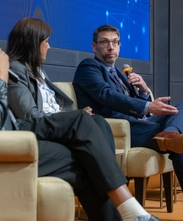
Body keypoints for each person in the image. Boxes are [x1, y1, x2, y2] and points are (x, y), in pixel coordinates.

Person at [0, 0, 163, 221]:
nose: (49, 46)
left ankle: (131, 213)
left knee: (88, 143)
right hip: (2, 141)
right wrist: (0, 76)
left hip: (9, 133)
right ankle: (132, 212)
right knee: (83, 149)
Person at [72, 24, 183, 221]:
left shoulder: (118, 73)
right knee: (179, 144)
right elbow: (105, 95)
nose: (111, 47)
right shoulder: (89, 67)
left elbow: (138, 104)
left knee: (182, 107)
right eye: (105, 42)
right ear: (94, 46)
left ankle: (170, 134)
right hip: (120, 129)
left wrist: (143, 91)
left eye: (115, 42)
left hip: (139, 123)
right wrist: (147, 107)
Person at [6, 17, 115, 153]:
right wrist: (73, 117)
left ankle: (108, 172)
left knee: (98, 121)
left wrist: (75, 115)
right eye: (46, 42)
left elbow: (54, 106)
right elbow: (29, 115)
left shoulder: (39, 71)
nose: (49, 46)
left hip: (58, 123)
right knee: (93, 123)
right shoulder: (15, 69)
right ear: (33, 43)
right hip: (43, 127)